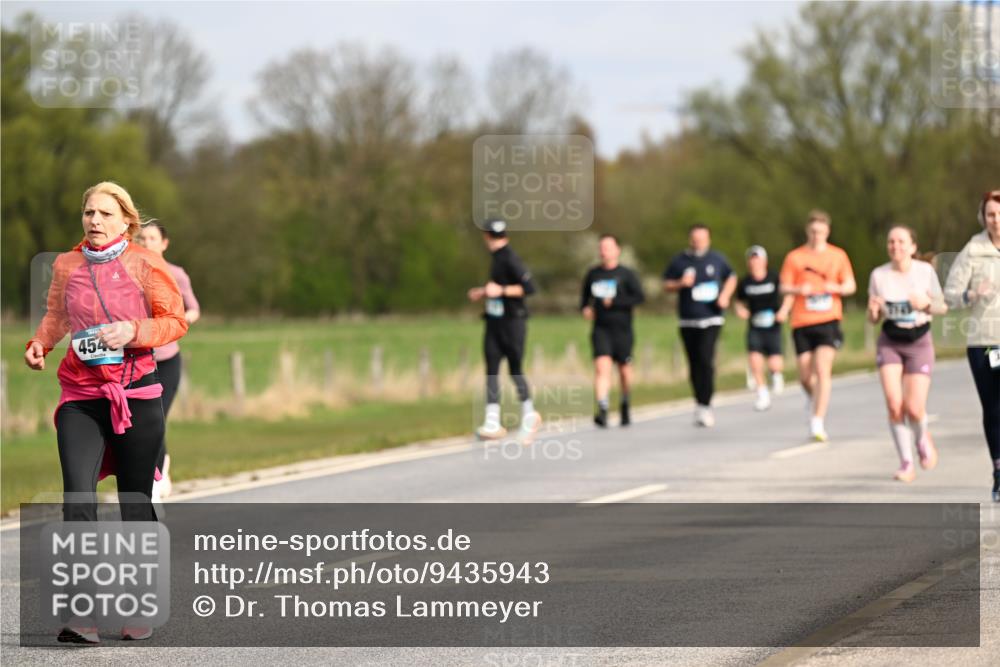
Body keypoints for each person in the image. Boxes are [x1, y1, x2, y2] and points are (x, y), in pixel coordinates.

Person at [23, 182, 187, 643]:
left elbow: (175, 320)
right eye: (88, 212)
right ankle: (82, 616)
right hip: (81, 395)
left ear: (126, 222)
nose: (94, 220)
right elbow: (58, 315)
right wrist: (40, 343)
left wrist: (133, 330)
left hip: (137, 395)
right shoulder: (67, 264)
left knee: (135, 501)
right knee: (78, 497)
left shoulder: (146, 263)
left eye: (105, 213)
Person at [867, 226, 947, 483]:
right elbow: (873, 318)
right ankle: (906, 462)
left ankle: (922, 439)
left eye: (901, 241)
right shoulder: (879, 275)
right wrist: (873, 311)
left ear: (913, 247)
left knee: (913, 408)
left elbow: (942, 307)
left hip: (919, 342)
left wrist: (925, 304)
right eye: (891, 241)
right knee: (894, 404)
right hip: (890, 342)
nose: (895, 246)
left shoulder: (925, 272)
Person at [136, 221, 201, 501]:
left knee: (156, 419)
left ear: (164, 243)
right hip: (139, 361)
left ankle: (156, 478)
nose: (146, 243)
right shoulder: (128, 275)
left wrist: (180, 321)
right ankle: (159, 469)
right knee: (144, 421)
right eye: (142, 238)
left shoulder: (176, 274)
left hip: (167, 360)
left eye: (152, 238)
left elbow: (194, 308)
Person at [780, 210, 856, 442]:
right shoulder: (795, 257)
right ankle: (814, 401)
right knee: (805, 376)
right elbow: (783, 287)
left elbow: (851, 285)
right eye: (813, 231)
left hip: (828, 320)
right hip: (802, 321)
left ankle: (817, 421)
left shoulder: (838, 255)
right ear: (807, 231)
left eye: (821, 232)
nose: (816, 236)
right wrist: (797, 290)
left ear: (827, 232)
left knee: (822, 369)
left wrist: (837, 288)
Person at [944, 189, 1000, 501]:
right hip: (986, 342)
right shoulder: (973, 250)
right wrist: (972, 294)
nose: (996, 220)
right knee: (994, 408)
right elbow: (951, 295)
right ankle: (999, 470)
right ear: (983, 217)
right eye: (991, 214)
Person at [467, 219, 541, 443]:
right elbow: (496, 289)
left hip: (513, 322)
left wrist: (501, 290)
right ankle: (492, 420)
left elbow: (529, 288)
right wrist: (484, 292)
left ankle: (529, 413)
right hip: (494, 322)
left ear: (487, 237)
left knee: (515, 369)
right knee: (491, 368)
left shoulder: (510, 258)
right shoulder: (497, 259)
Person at [663, 224, 737, 427]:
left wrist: (725, 295)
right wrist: (680, 283)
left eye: (702, 239)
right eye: (695, 239)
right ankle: (699, 402)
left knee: (705, 359)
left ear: (708, 239)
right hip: (688, 320)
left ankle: (706, 403)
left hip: (711, 319)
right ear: (690, 240)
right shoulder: (680, 260)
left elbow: (731, 277)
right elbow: (666, 284)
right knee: (694, 363)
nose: (698, 243)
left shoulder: (717, 259)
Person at [580, 234, 645, 427]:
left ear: (617, 250)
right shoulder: (593, 274)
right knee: (602, 367)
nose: (604, 251)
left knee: (624, 371)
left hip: (622, 330)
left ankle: (625, 402)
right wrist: (586, 309)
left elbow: (639, 297)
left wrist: (615, 302)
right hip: (601, 329)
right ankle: (602, 409)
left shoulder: (626, 274)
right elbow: (584, 300)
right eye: (601, 247)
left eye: (608, 247)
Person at [734, 245, 792, 411]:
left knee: (775, 364)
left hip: (773, 325)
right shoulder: (745, 282)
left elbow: (788, 294)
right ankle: (762, 394)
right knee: (754, 359)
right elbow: (738, 301)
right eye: (752, 260)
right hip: (755, 326)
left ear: (764, 261)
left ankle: (776, 374)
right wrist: (740, 310)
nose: (755, 263)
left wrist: (784, 311)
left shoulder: (774, 278)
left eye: (758, 260)